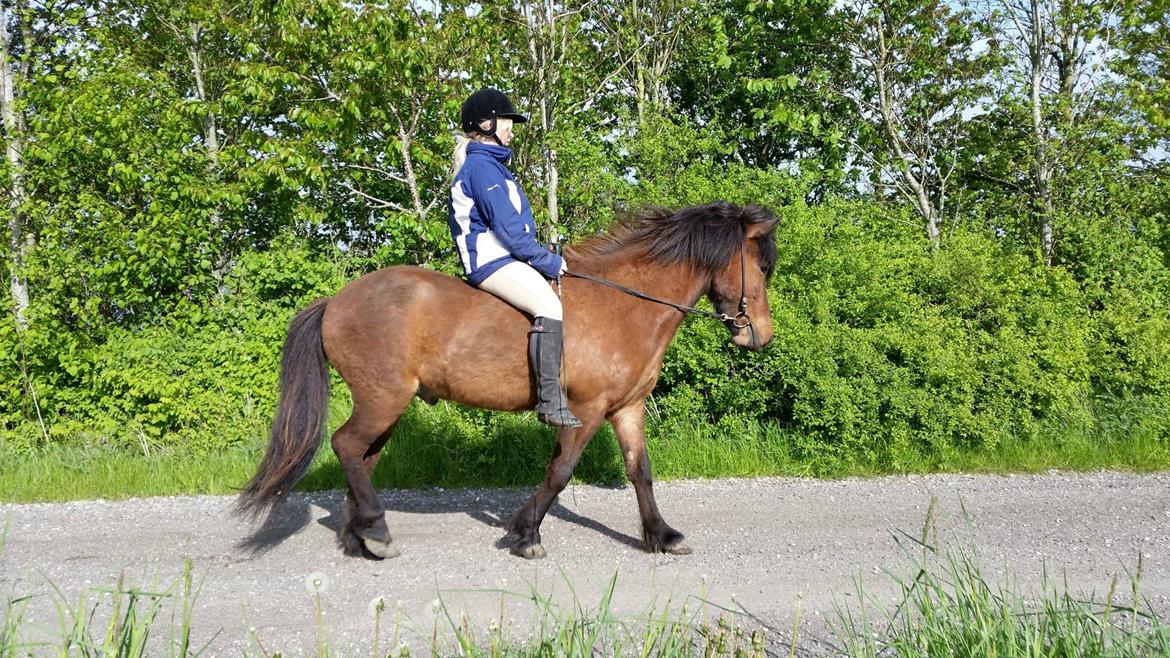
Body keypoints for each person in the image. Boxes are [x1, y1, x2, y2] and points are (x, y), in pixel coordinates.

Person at [447, 87, 581, 428]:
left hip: (503, 258)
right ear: (487, 124)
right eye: (507, 121)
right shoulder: (482, 168)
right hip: (490, 261)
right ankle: (551, 403)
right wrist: (549, 261)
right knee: (549, 307)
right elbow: (510, 234)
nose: (512, 128)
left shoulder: (491, 166)